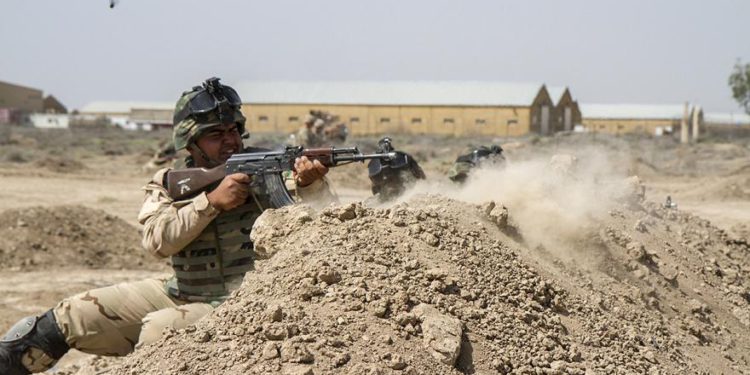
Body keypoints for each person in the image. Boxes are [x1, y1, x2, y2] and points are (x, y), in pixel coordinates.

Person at [0, 77, 334, 375]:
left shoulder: (273, 171)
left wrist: (310, 185)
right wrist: (211, 202)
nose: (230, 141)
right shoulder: (171, 183)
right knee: (66, 318)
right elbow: (157, 242)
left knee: (161, 330)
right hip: (182, 291)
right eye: (216, 135)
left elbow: (328, 234)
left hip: (248, 303)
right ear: (190, 143)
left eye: (233, 131)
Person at [367, 137, 426, 201]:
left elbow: (419, 174)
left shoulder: (403, 157)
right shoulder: (376, 164)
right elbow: (375, 187)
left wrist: (422, 185)